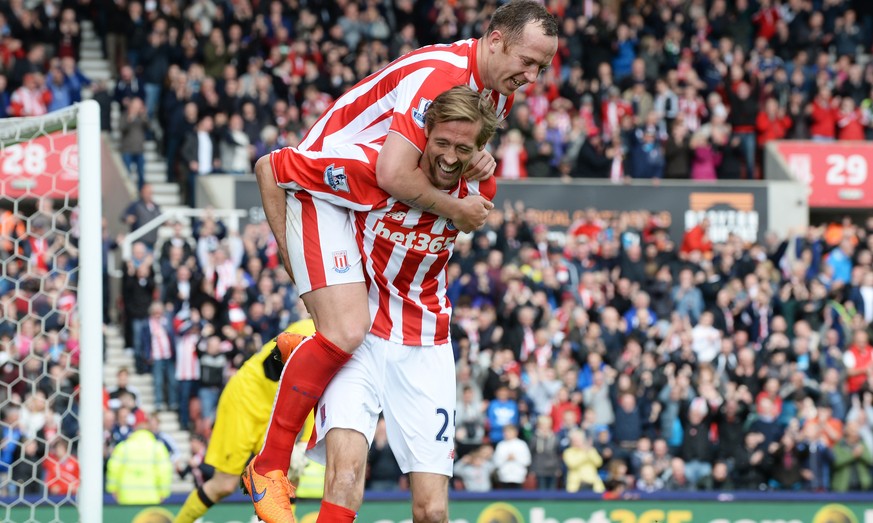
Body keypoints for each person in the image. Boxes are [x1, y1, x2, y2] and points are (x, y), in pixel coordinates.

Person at [245, 3, 558, 521]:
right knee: (346, 330)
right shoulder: (439, 81)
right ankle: (271, 462)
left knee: (342, 333)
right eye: (527, 61)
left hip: (417, 324)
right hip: (333, 187)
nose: (532, 77)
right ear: (495, 40)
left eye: (542, 68)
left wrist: (477, 169)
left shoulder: (491, 97)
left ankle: (309, 346)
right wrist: (457, 206)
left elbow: (462, 153)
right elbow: (391, 172)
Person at [244, 86, 499, 522]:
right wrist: (297, 269)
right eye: (441, 143)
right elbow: (272, 168)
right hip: (360, 341)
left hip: (426, 346)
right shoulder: (368, 168)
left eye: (463, 148)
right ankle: (274, 452)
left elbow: (469, 206)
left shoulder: (479, 180)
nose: (451, 158)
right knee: (345, 479)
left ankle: (301, 350)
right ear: (422, 133)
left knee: (433, 511)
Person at [172, 318, 315, 523]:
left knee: (289, 477)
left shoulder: (341, 339)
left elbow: (315, 392)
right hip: (245, 401)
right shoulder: (308, 332)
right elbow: (299, 383)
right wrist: (301, 442)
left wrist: (302, 444)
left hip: (274, 410)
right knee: (224, 485)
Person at [105, 418, 173, 505]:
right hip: (151, 497)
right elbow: (164, 471)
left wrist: (112, 489)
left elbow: (113, 468)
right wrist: (164, 493)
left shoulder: (123, 447)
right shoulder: (158, 448)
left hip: (126, 497)